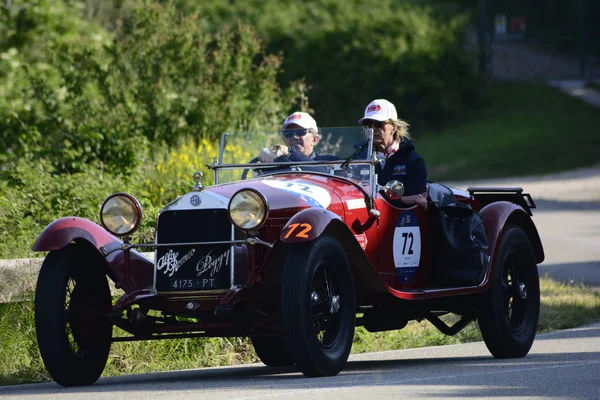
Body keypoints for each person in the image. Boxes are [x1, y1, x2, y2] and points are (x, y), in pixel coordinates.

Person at [358, 99, 428, 209]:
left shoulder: (413, 160)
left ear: (394, 128)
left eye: (379, 124)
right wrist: (403, 199)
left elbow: (417, 200)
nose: (373, 129)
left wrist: (402, 200)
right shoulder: (358, 159)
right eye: (368, 124)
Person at [258, 111, 338, 170]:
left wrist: (289, 152)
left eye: (300, 132)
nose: (294, 136)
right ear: (284, 139)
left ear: (315, 139)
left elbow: (324, 171)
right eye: (288, 133)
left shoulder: (329, 162)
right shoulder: (277, 164)